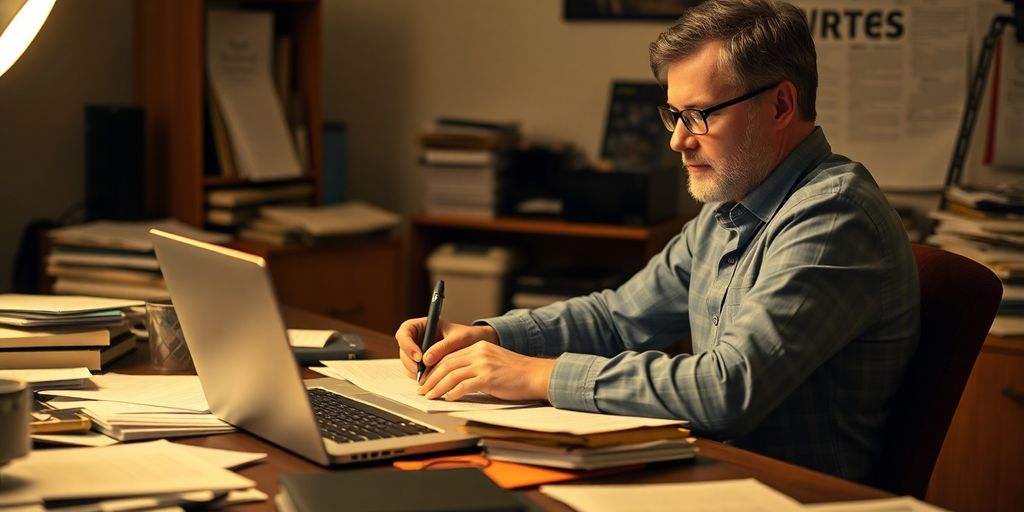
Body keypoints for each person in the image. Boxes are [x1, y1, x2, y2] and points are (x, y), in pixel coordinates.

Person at [395, 0, 919, 482]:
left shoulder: (833, 215)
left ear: (781, 104)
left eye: (700, 115)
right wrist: (489, 338)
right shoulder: (730, 206)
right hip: (708, 473)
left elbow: (726, 388)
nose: (677, 140)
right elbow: (618, 318)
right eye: (673, 114)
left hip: (787, 494)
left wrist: (538, 376)